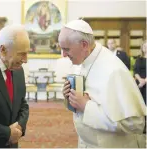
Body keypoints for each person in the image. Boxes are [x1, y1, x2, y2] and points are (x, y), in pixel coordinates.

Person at [59, 19, 146, 148]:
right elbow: (80, 103)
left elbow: (135, 123)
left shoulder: (114, 70)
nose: (63, 55)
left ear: (84, 45)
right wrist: (69, 96)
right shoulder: (81, 62)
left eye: (66, 49)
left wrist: (86, 106)